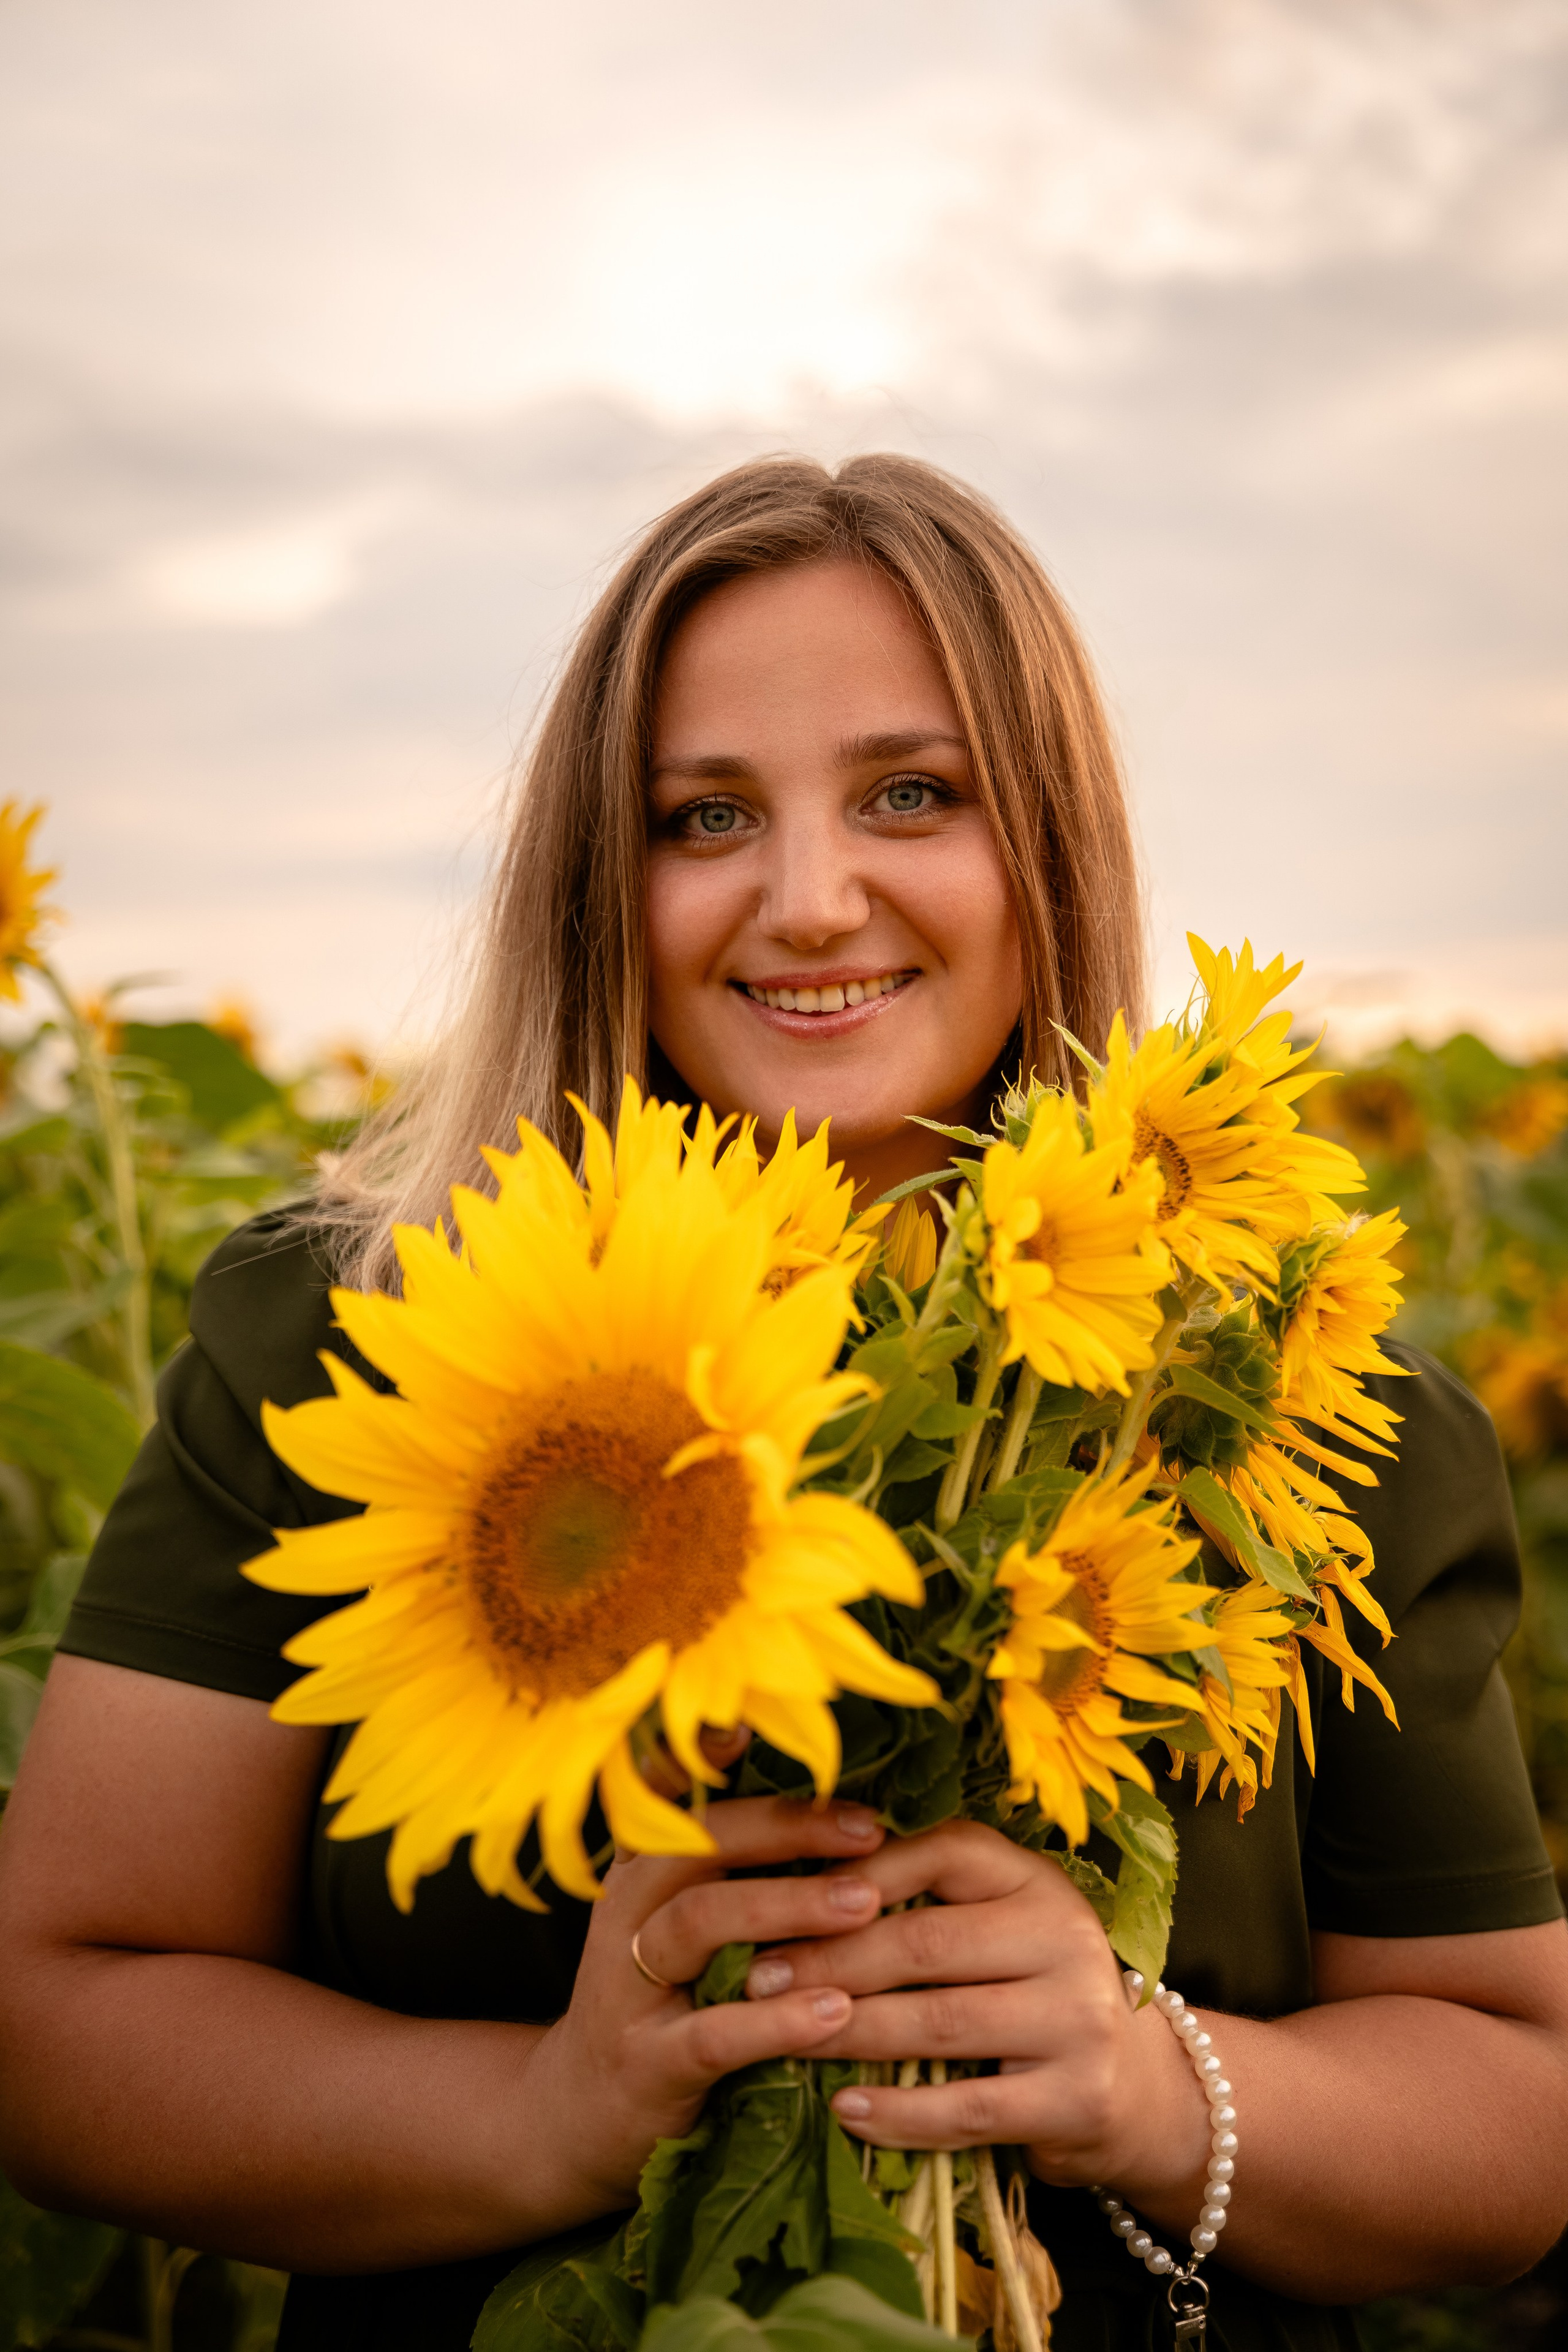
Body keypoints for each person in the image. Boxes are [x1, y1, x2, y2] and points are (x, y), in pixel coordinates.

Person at [1, 456, 1564, 2352]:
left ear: (1046, 841)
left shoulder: (1295, 1406)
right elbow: (61, 2011)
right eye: (703, 816)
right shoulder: (356, 1330)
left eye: (914, 793)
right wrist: (541, 2121)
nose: (811, 900)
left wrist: (1153, 2088)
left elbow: (1517, 2104)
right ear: (598, 872)